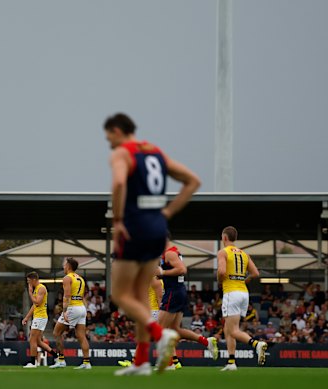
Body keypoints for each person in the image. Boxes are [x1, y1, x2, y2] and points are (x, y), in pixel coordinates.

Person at [104, 113, 200, 376]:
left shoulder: (123, 153)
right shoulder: (156, 152)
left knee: (120, 295)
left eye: (108, 135)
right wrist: (168, 213)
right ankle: (142, 362)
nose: (107, 141)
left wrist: (119, 218)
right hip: (157, 227)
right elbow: (193, 181)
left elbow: (120, 182)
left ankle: (160, 335)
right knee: (140, 297)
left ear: (117, 130)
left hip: (136, 226)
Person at [157, 238, 218, 370]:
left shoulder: (169, 253)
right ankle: (206, 341)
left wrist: (163, 272)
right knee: (174, 330)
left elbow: (182, 269)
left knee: (160, 329)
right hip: (178, 292)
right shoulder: (171, 252)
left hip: (173, 293)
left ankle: (168, 363)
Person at [217, 226, 267, 371]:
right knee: (229, 328)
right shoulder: (244, 254)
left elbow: (221, 271)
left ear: (224, 238)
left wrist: (220, 280)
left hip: (231, 292)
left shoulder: (223, 252)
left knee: (232, 330)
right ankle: (231, 362)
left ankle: (256, 344)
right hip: (243, 293)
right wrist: (243, 280)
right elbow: (255, 273)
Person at [49, 258, 91, 370]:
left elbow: (66, 296)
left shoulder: (67, 278)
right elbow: (83, 296)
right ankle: (87, 363)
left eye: (64, 265)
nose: (63, 267)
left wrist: (64, 311)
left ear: (68, 266)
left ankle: (61, 360)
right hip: (81, 307)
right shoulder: (80, 278)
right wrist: (85, 310)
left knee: (56, 332)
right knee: (81, 336)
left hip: (73, 307)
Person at [21, 271, 58, 368]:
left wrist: (30, 293)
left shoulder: (41, 288)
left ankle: (33, 363)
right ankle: (56, 356)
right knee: (38, 341)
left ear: (34, 280)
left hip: (40, 317)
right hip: (38, 316)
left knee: (32, 340)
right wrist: (27, 317)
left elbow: (37, 302)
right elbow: (34, 306)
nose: (28, 283)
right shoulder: (37, 289)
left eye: (29, 281)